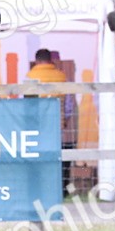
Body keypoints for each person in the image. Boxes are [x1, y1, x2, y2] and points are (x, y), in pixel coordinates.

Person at [27, 49, 76, 195]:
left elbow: (27, 104)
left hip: (37, 125)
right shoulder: (61, 76)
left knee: (39, 157)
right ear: (51, 61)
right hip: (56, 125)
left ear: (36, 61)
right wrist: (64, 119)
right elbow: (68, 104)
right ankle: (60, 190)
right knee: (58, 157)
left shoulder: (30, 77)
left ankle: (41, 189)